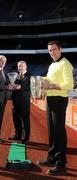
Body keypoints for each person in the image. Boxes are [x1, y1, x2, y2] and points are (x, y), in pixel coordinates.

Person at [37, 41, 74, 175]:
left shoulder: (65, 64)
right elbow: (50, 79)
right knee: (52, 131)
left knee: (58, 131)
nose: (52, 52)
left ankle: (61, 164)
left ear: (60, 49)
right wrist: (42, 80)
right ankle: (52, 158)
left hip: (59, 99)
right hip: (50, 99)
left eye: (54, 49)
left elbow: (69, 84)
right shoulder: (52, 64)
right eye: (50, 50)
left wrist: (51, 86)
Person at [8, 61, 30, 144]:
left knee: (24, 120)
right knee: (16, 119)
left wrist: (14, 86)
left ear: (25, 66)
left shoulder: (28, 76)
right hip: (15, 101)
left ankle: (25, 138)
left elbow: (22, 86)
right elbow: (14, 86)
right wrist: (11, 85)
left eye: (21, 66)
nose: (19, 68)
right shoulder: (16, 77)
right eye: (18, 66)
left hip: (24, 102)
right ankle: (18, 135)